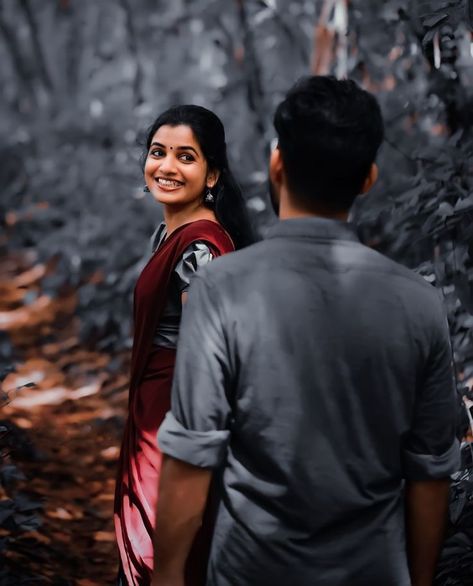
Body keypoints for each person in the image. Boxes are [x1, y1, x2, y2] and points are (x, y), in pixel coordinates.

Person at [152, 76, 460, 586]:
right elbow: (430, 472)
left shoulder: (220, 288)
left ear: (277, 165)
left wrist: (166, 575)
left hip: (251, 571)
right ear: (368, 179)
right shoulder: (419, 304)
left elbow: (191, 453)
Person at [114, 104, 255, 586]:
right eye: (158, 152)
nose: (167, 167)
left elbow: (208, 359)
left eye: (185, 157)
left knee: (168, 553)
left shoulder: (201, 247)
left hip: (176, 422)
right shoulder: (172, 232)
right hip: (156, 410)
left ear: (212, 172)